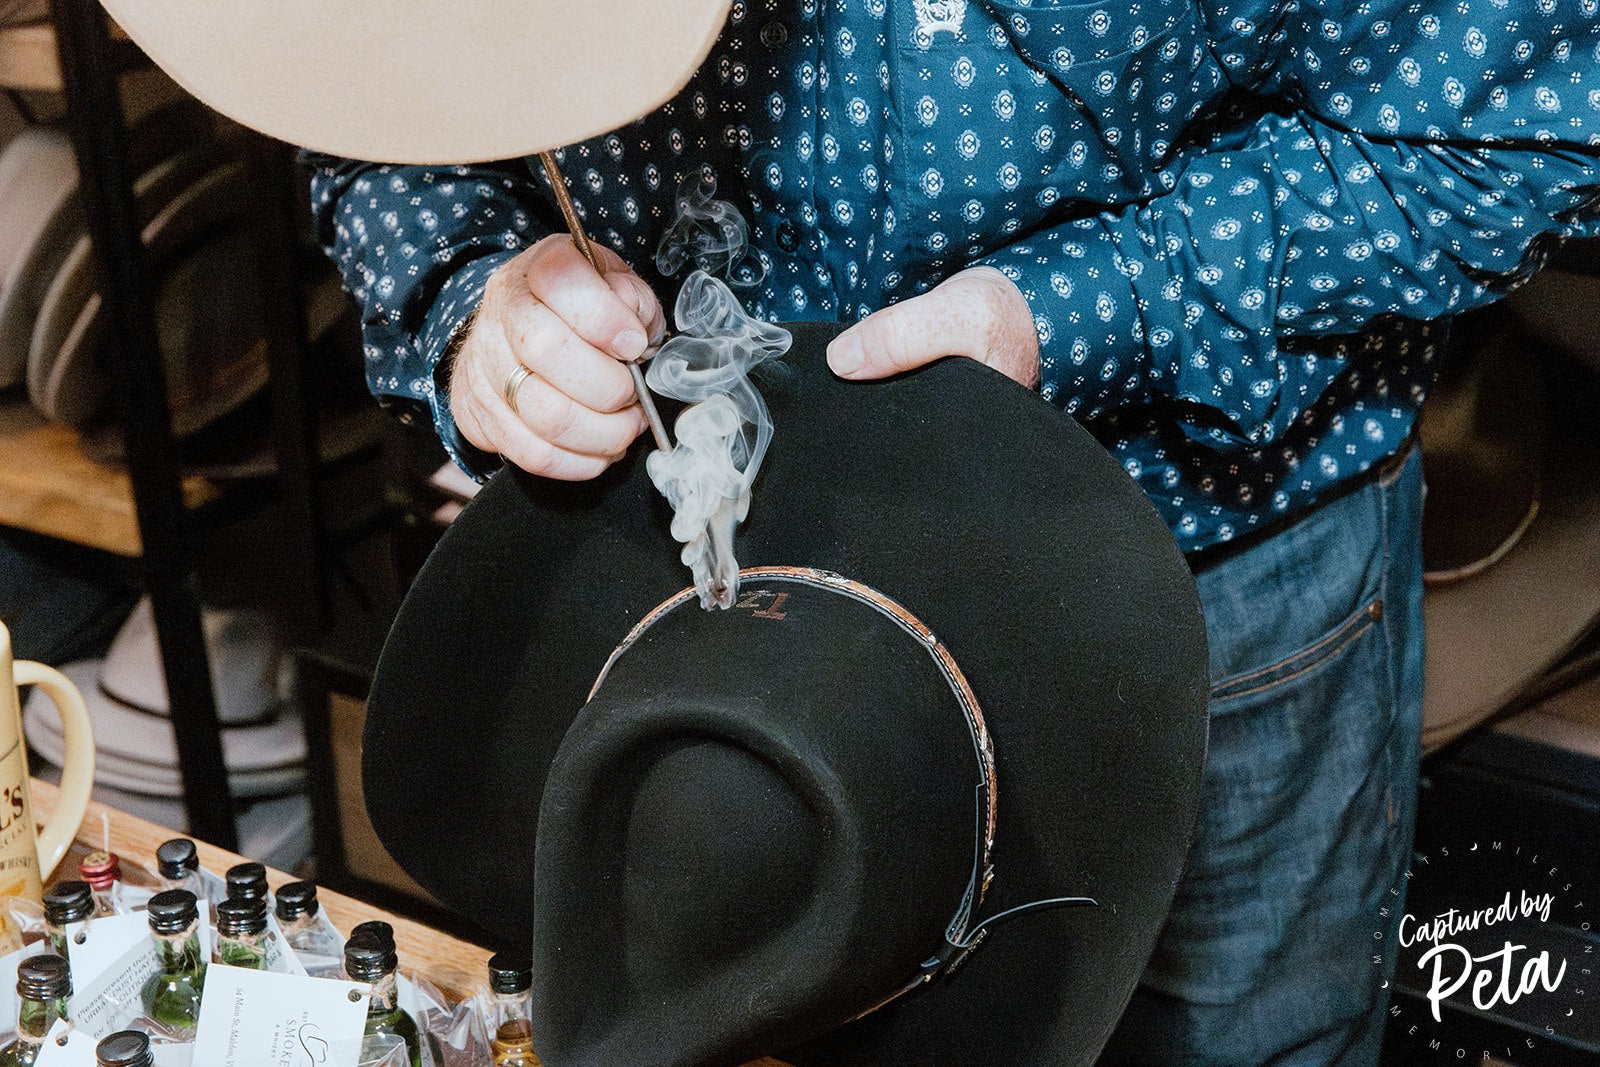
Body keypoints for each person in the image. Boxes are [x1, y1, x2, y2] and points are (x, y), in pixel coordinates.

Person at [309, 0, 1599, 1061]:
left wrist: (1086, 310)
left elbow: (1516, 124)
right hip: (688, 576)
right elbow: (333, 47)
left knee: (1243, 1046)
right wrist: (471, 292)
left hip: (1209, 545)